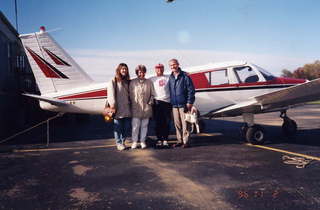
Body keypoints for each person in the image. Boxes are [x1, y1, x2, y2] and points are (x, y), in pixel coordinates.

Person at [168, 58, 195, 148]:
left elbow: (191, 90)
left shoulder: (185, 76)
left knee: (185, 124)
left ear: (178, 64)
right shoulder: (170, 77)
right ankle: (179, 140)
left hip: (184, 104)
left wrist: (189, 102)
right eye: (171, 65)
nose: (173, 66)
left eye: (174, 64)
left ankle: (186, 141)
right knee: (177, 124)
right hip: (174, 105)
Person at [106, 63, 131, 151]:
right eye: (122, 69)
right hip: (117, 108)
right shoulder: (114, 80)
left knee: (126, 127)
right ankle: (119, 143)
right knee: (118, 127)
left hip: (127, 108)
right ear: (119, 70)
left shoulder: (127, 81)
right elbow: (110, 95)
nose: (124, 70)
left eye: (125, 69)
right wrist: (112, 106)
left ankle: (123, 142)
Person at [129, 65, 155, 149]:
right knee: (135, 126)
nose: (141, 73)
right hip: (136, 108)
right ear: (137, 73)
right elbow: (129, 95)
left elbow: (152, 94)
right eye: (139, 72)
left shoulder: (149, 82)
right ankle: (135, 142)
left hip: (146, 108)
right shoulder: (132, 82)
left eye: (143, 72)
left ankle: (143, 141)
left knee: (144, 126)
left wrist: (150, 102)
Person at [149, 63, 171, 147]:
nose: (159, 70)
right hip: (157, 103)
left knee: (166, 122)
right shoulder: (152, 79)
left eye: (161, 68)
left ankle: (165, 139)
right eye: (157, 68)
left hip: (167, 102)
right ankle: (159, 139)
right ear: (155, 69)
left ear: (163, 69)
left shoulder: (168, 77)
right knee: (158, 123)